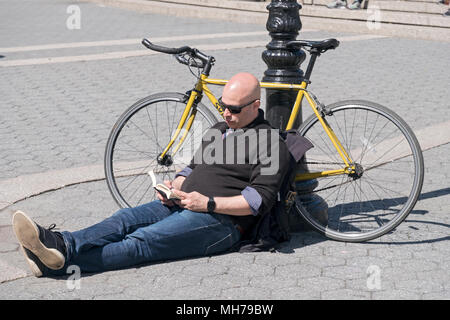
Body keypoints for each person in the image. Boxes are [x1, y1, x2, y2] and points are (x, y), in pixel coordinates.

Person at [12, 72, 305, 278]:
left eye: (234, 109)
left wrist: (208, 203)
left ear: (256, 105)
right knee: (123, 219)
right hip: (179, 202)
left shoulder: (270, 142)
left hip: (220, 223)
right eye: (222, 106)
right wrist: (174, 184)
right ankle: (60, 244)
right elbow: (192, 167)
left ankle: (55, 264)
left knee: (141, 241)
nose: (226, 114)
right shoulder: (219, 129)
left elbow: (258, 201)